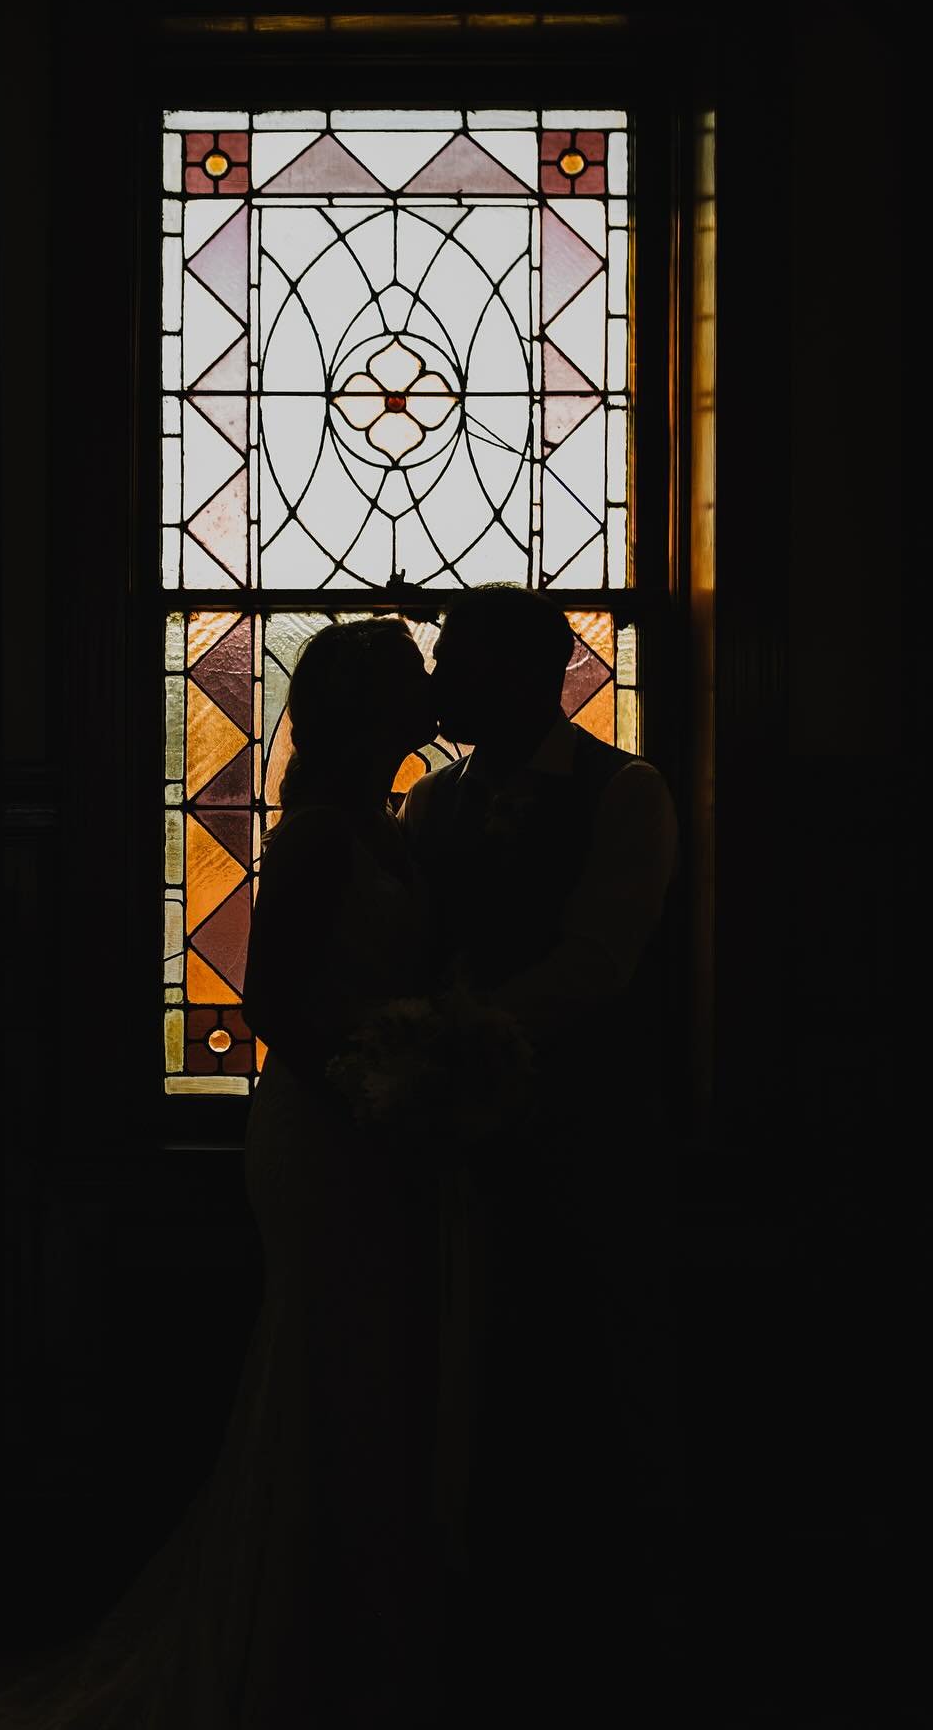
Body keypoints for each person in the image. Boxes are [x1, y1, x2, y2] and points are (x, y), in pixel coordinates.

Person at [0, 617, 445, 1729]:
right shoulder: (322, 835)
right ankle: (295, 1648)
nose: (429, 692)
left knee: (363, 1381)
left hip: (376, 1126)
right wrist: (381, 1091)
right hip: (328, 1136)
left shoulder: (396, 821)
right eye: (412, 679)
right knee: (332, 1367)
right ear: (370, 708)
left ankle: (338, 1638)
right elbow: (273, 1002)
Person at [401, 583, 686, 1690]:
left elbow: (601, 962)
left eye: (456, 661)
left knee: (593, 1381)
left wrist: (459, 1032)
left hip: (592, 1143)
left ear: (532, 673)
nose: (436, 683)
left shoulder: (628, 793)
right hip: (457, 1144)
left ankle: (604, 1647)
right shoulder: (435, 802)